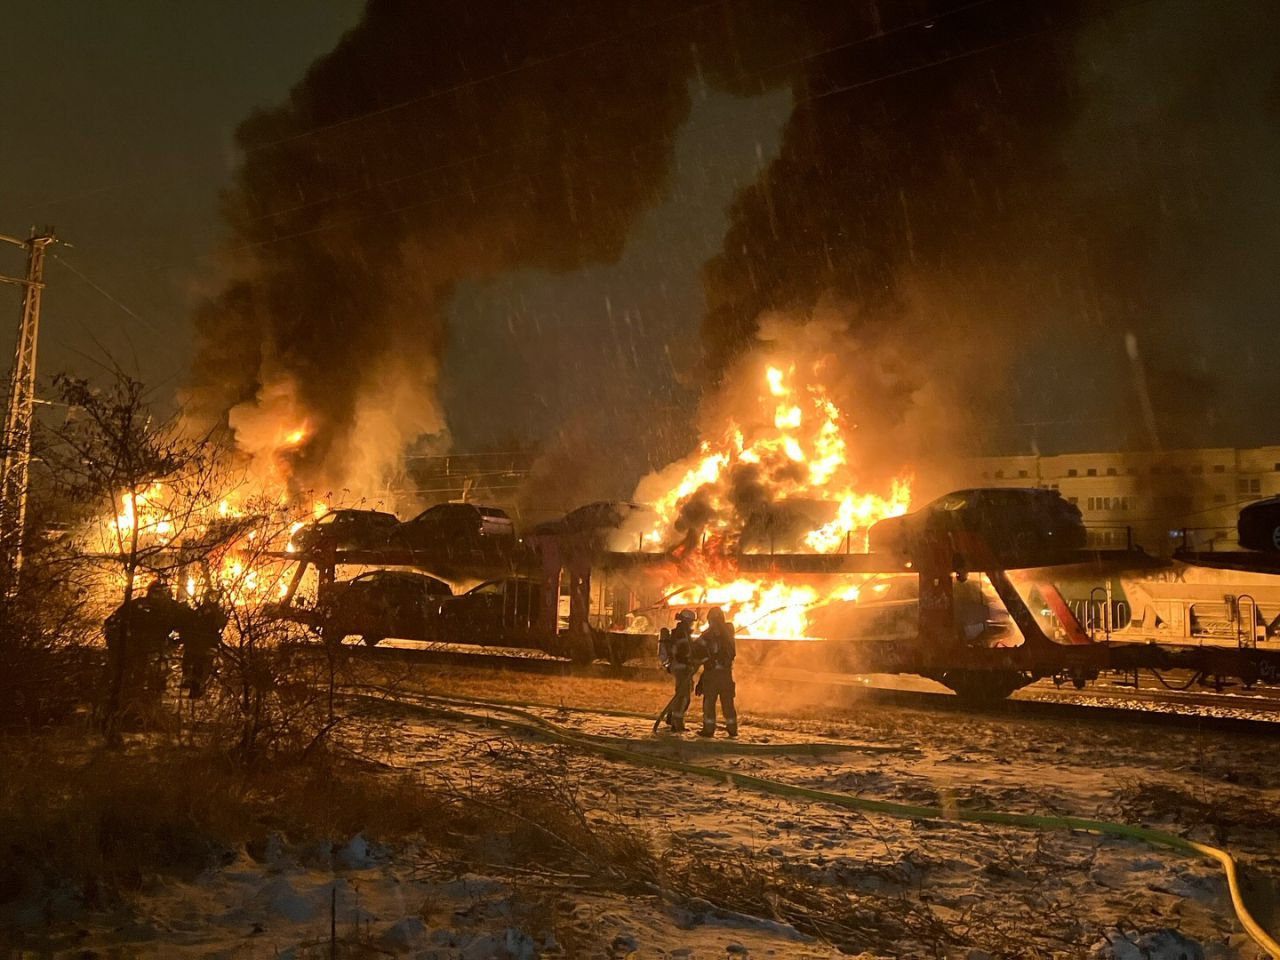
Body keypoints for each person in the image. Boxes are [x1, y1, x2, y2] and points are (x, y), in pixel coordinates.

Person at [697, 606, 737, 738]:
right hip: (720, 675)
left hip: (716, 675)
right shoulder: (723, 634)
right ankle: (727, 729)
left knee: (715, 703)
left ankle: (713, 730)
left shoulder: (721, 634)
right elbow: (699, 649)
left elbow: (698, 646)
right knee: (721, 703)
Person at [657, 608, 700, 732]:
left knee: (682, 693)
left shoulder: (682, 632)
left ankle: (671, 717)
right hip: (682, 667)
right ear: (687, 621)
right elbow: (682, 653)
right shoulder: (682, 633)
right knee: (683, 696)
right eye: (691, 621)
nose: (692, 623)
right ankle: (677, 724)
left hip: (680, 667)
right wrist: (691, 661)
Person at [181, 592, 227, 698]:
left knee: (202, 667)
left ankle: (195, 686)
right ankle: (192, 683)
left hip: (205, 644)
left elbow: (218, 625)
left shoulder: (215, 613)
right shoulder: (200, 612)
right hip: (199, 644)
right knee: (197, 665)